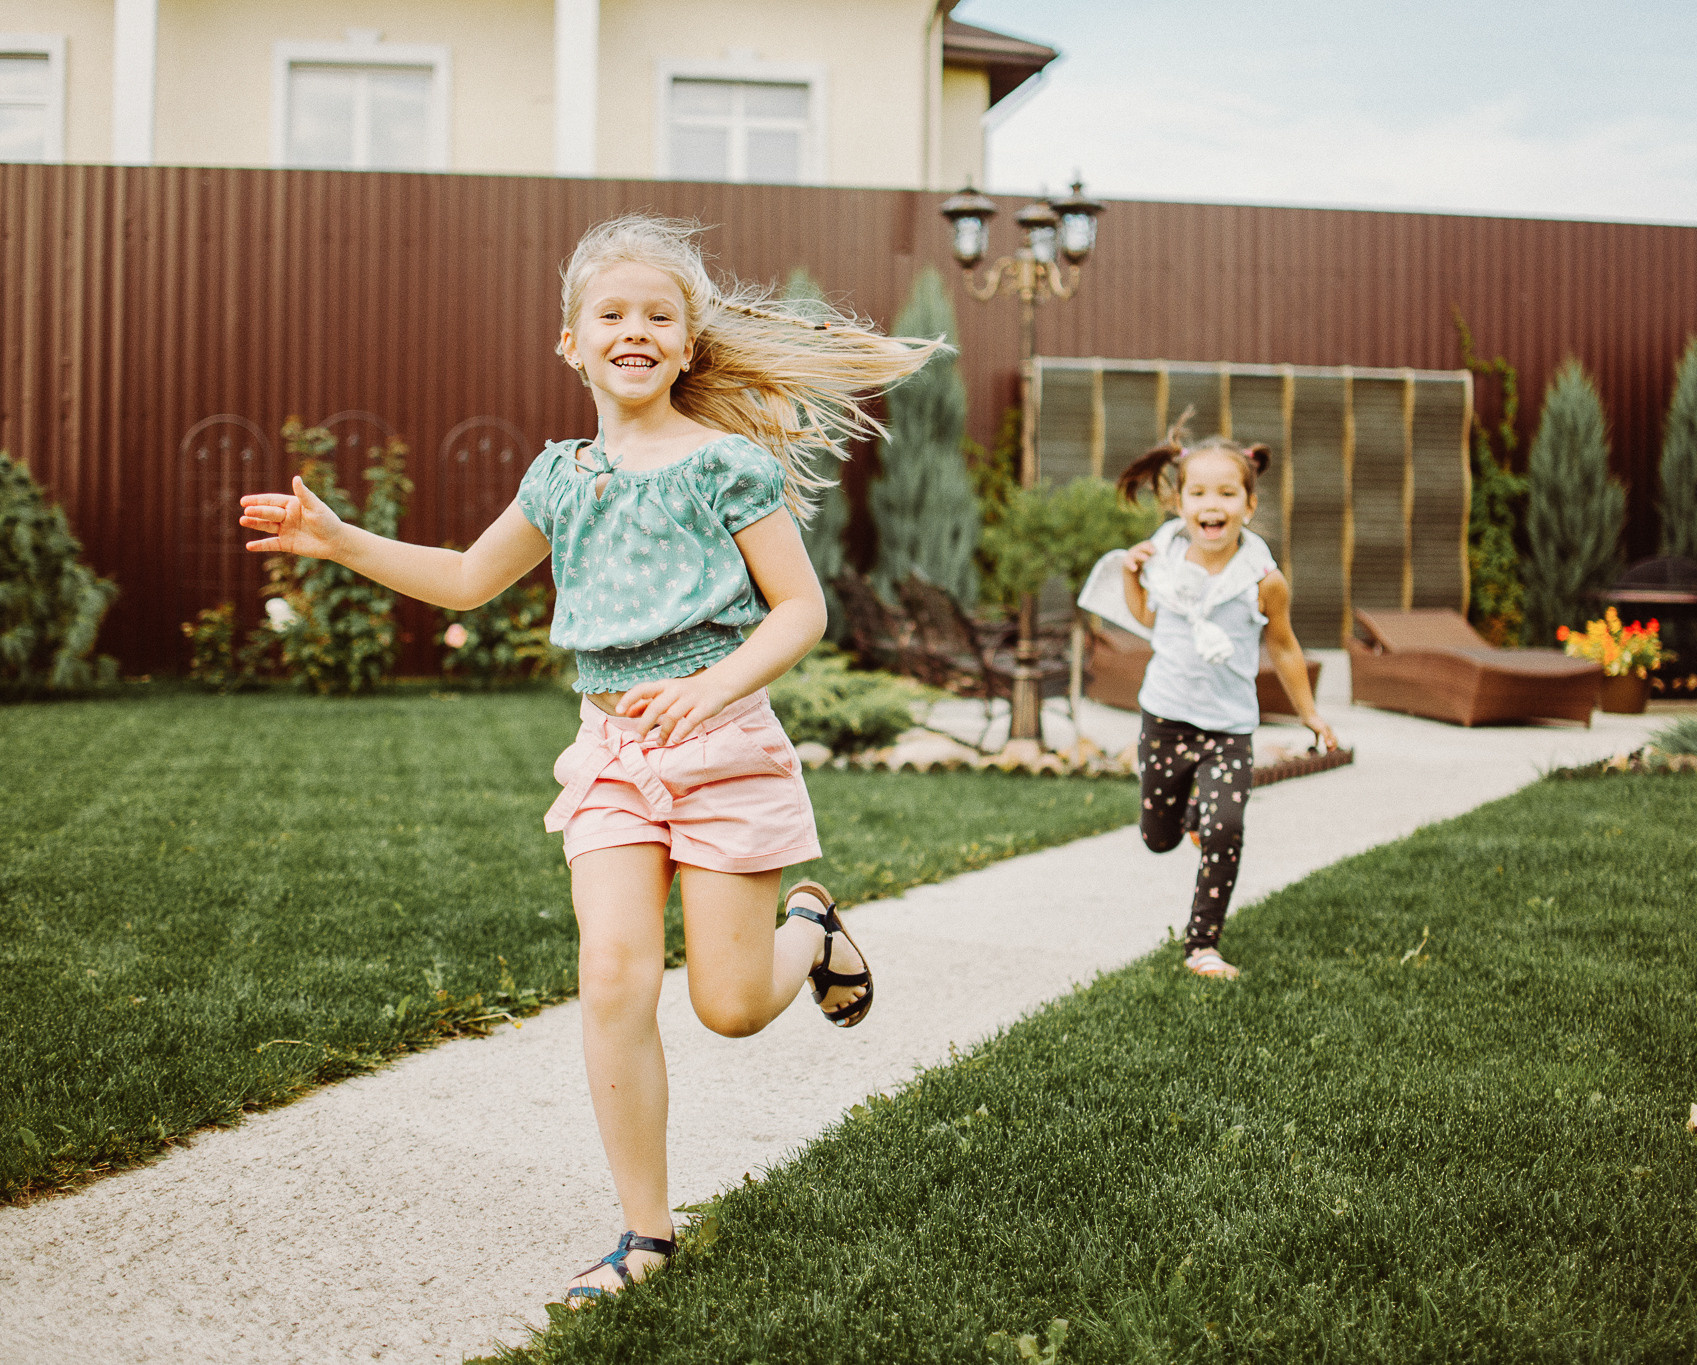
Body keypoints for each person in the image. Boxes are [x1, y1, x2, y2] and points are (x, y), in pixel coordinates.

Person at [238, 213, 936, 1299]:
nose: (634, 330)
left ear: (688, 345)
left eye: (659, 315)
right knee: (612, 976)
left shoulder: (726, 466)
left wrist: (710, 686)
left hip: (720, 745)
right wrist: (339, 541)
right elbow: (467, 579)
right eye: (611, 314)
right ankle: (646, 1236)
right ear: (571, 343)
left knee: (729, 1006)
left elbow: (801, 610)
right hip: (611, 754)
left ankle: (809, 927)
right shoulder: (559, 477)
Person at [1079, 418, 1339, 980]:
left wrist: (1310, 713)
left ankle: (1202, 945)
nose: (1211, 504)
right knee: (1158, 838)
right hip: (1165, 721)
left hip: (1229, 729)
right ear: (1179, 504)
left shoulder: (1263, 580)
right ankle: (1191, 814)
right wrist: (1132, 576)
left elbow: (1284, 648)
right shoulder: (1163, 559)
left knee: (1225, 830)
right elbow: (1148, 619)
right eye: (1198, 493)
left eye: (1226, 493)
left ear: (1249, 505)